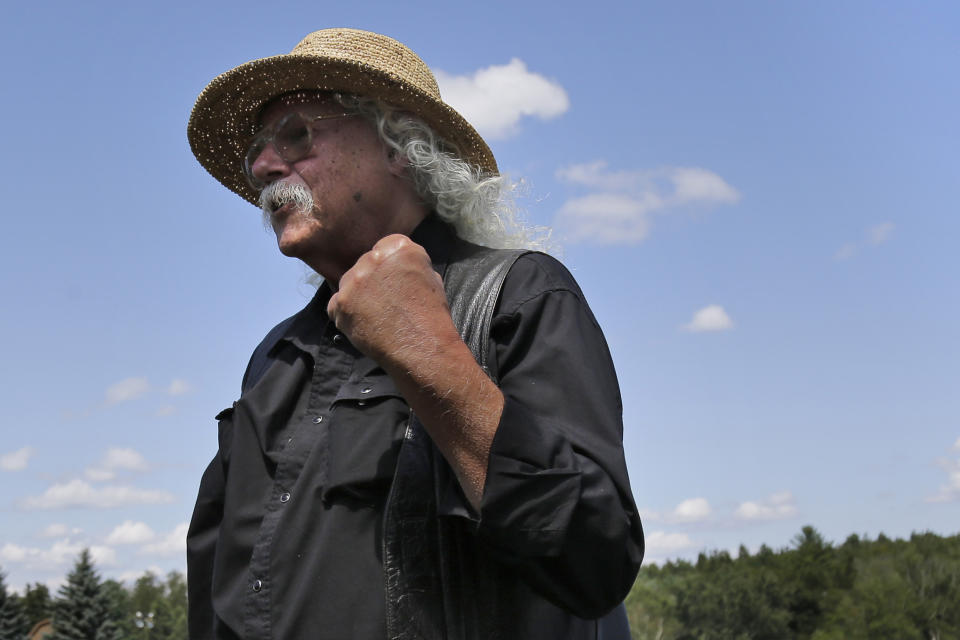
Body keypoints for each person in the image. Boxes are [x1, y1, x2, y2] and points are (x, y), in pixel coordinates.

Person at [186, 28, 644, 640]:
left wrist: (429, 356)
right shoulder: (274, 358)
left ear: (400, 145)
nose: (266, 168)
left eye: (296, 136)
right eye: (257, 154)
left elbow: (594, 558)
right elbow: (224, 590)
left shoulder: (518, 294)